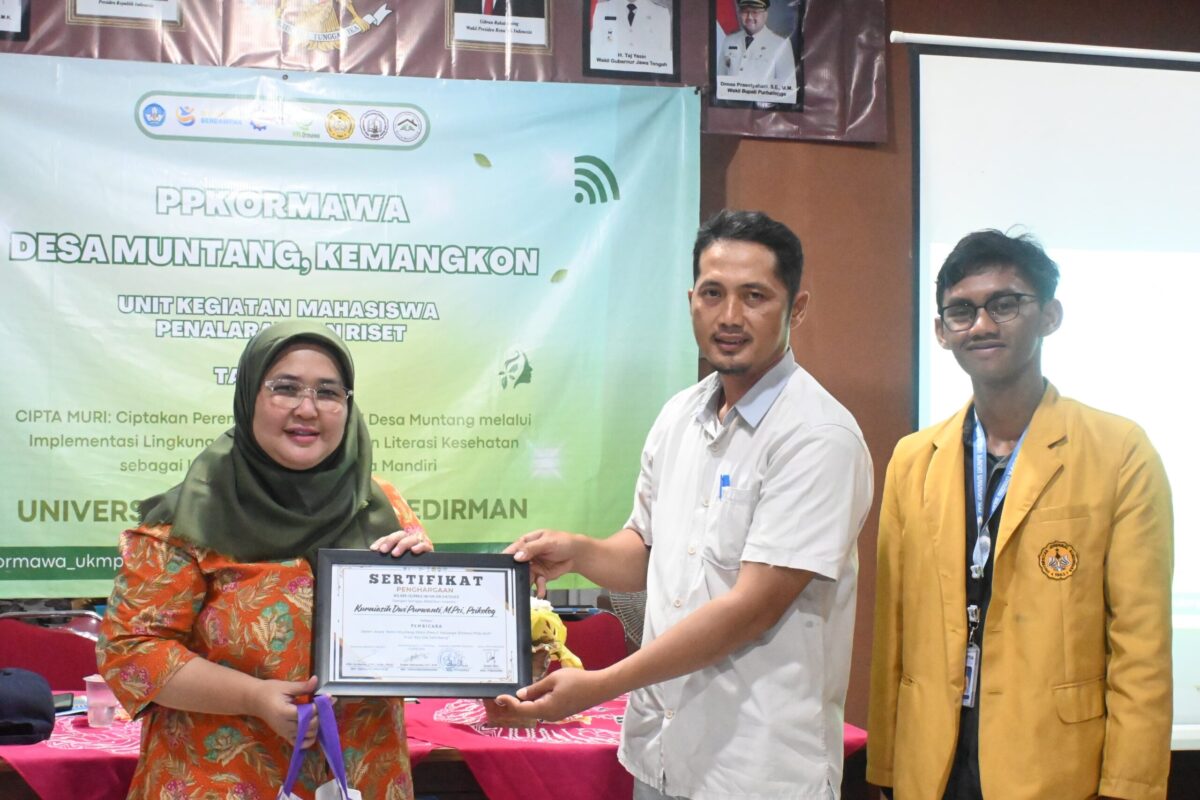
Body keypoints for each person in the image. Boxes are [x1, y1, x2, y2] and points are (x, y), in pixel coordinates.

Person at [499, 210, 873, 798]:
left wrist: (601, 684)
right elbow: (647, 556)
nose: (730, 316)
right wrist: (578, 552)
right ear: (691, 300)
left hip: (755, 770)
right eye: (713, 293)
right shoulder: (679, 415)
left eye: (755, 296)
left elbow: (750, 608)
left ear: (797, 308)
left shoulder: (818, 436)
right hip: (660, 756)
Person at [866, 230, 1173, 799]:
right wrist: (885, 765)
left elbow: (1141, 644)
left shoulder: (1119, 451)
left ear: (1049, 316)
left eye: (1005, 304)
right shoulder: (913, 459)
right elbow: (893, 631)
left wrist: (1129, 787)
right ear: (941, 332)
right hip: (932, 767)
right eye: (962, 311)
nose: (982, 324)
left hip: (1055, 769)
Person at [97, 321, 434, 800]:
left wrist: (426, 592)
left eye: (328, 392)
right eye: (285, 388)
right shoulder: (191, 517)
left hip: (362, 775)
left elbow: (420, 648)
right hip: (220, 779)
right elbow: (131, 652)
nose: (307, 409)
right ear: (249, 397)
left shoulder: (384, 508)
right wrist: (253, 697)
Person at [717, 0, 798, 96]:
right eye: (745, 11)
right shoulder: (729, 41)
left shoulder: (781, 45)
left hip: (764, 105)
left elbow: (787, 90)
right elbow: (720, 81)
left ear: (765, 14)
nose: (749, 17)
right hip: (731, 103)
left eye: (755, 12)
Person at [590, 0, 673, 73]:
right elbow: (596, 50)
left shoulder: (661, 13)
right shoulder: (601, 9)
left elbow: (663, 57)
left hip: (646, 76)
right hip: (612, 74)